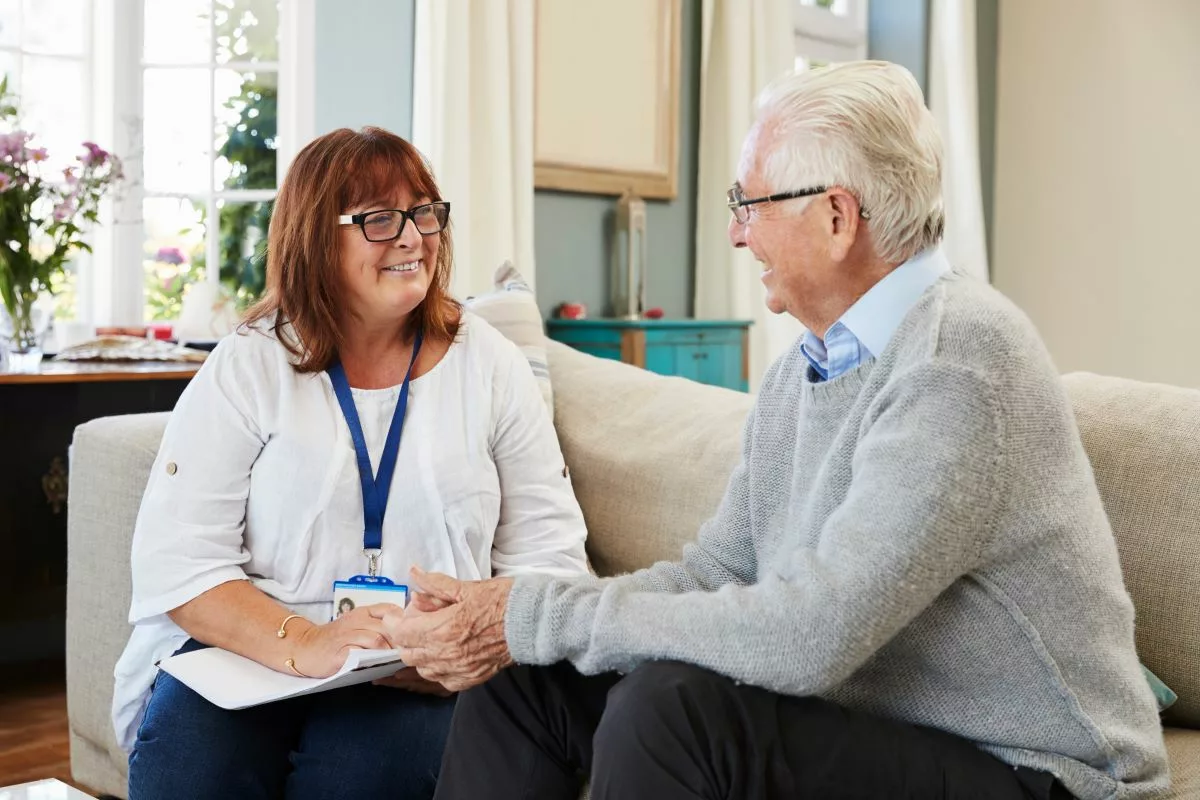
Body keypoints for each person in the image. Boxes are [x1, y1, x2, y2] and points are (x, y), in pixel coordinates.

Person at [376, 62, 1170, 800]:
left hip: (1046, 773)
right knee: (528, 678)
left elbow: (809, 635)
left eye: (749, 205)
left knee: (670, 710)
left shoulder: (960, 360)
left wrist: (529, 615)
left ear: (835, 216)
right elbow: (718, 571)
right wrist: (523, 616)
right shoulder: (809, 367)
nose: (735, 234)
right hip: (889, 731)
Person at [113, 126, 590, 800]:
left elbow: (552, 561)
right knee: (188, 770)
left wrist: (463, 642)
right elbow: (178, 563)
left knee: (365, 779)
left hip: (416, 666)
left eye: (424, 212)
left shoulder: (489, 365)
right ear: (314, 237)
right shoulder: (249, 365)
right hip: (255, 651)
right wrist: (307, 640)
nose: (412, 237)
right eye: (379, 219)